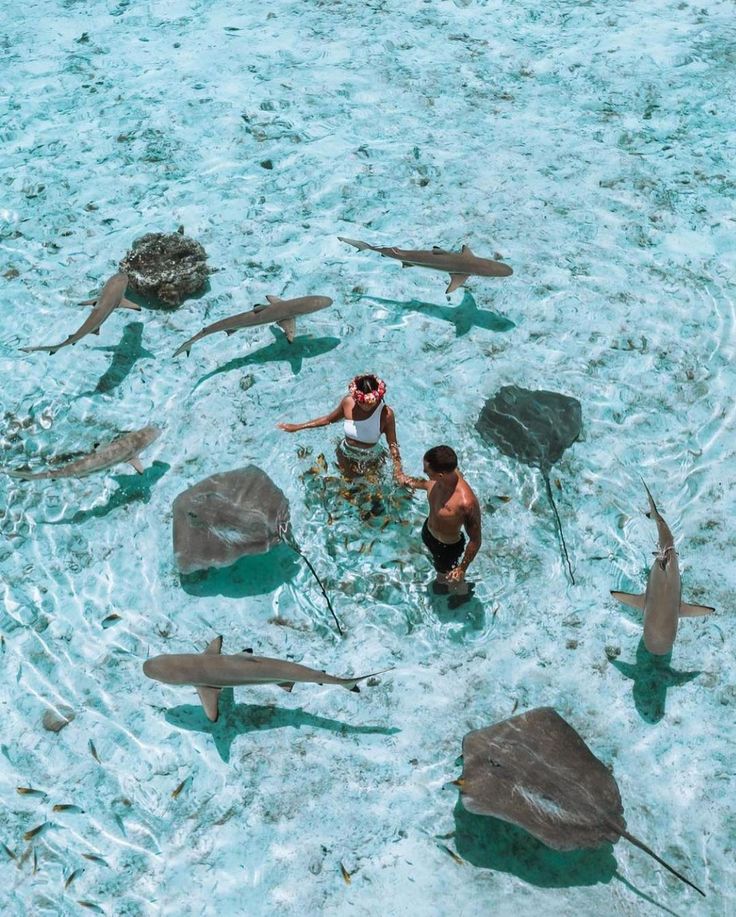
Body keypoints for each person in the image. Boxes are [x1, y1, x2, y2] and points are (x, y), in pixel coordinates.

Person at [277, 373, 403, 479]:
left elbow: (392, 444)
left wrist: (398, 470)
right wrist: (298, 427)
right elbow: (328, 419)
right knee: (347, 488)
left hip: (371, 458)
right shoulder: (348, 402)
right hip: (345, 453)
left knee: (371, 493)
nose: (366, 406)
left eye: (370, 403)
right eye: (361, 402)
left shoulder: (386, 414)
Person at [398, 445, 481, 587]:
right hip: (428, 531)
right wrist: (404, 479)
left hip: (447, 549)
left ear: (440, 475)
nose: (424, 472)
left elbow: (475, 540)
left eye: (427, 471)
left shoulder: (466, 503)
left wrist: (462, 568)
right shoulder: (438, 480)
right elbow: (424, 483)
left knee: (445, 581)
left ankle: (461, 595)